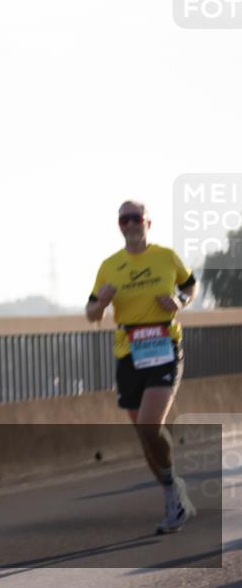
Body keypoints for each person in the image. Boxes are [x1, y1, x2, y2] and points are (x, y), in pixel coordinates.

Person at [85, 200, 198, 534]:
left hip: (165, 347)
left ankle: (173, 488)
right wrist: (101, 304)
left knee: (150, 426)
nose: (131, 224)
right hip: (128, 353)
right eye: (124, 219)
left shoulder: (166, 257)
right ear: (119, 225)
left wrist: (181, 301)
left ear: (149, 223)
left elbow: (190, 284)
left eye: (136, 218)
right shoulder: (110, 266)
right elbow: (90, 314)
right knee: (143, 436)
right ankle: (172, 495)